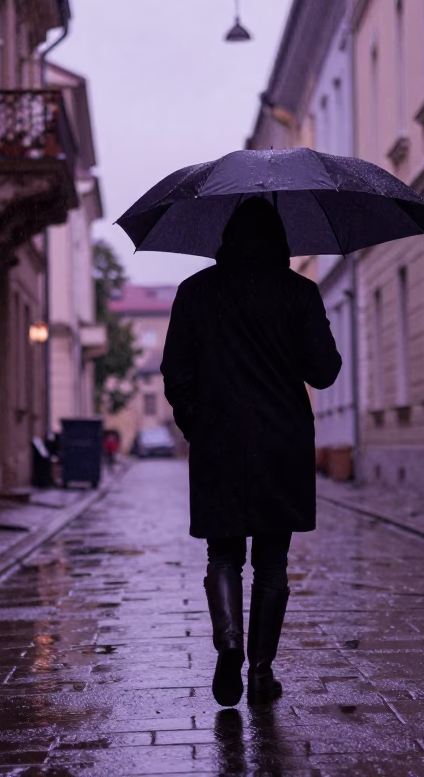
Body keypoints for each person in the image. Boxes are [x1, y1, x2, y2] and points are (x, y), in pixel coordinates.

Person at [161, 196, 341, 707]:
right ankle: (261, 673)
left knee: (222, 552)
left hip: (219, 439)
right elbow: (324, 372)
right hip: (281, 442)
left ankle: (230, 643)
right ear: (281, 238)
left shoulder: (195, 291)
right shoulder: (299, 292)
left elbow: (176, 372)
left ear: (226, 236)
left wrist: (196, 422)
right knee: (272, 562)